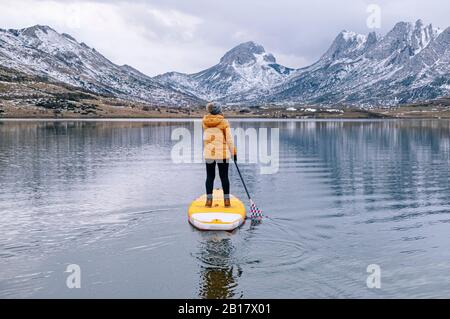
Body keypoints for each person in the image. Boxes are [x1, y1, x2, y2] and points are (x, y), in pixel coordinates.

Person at [202, 102, 237, 208]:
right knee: (224, 177)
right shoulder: (224, 122)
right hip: (222, 154)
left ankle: (209, 201)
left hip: (209, 153)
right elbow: (229, 140)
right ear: (219, 110)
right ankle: (226, 201)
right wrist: (234, 153)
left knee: (210, 177)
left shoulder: (204, 122)